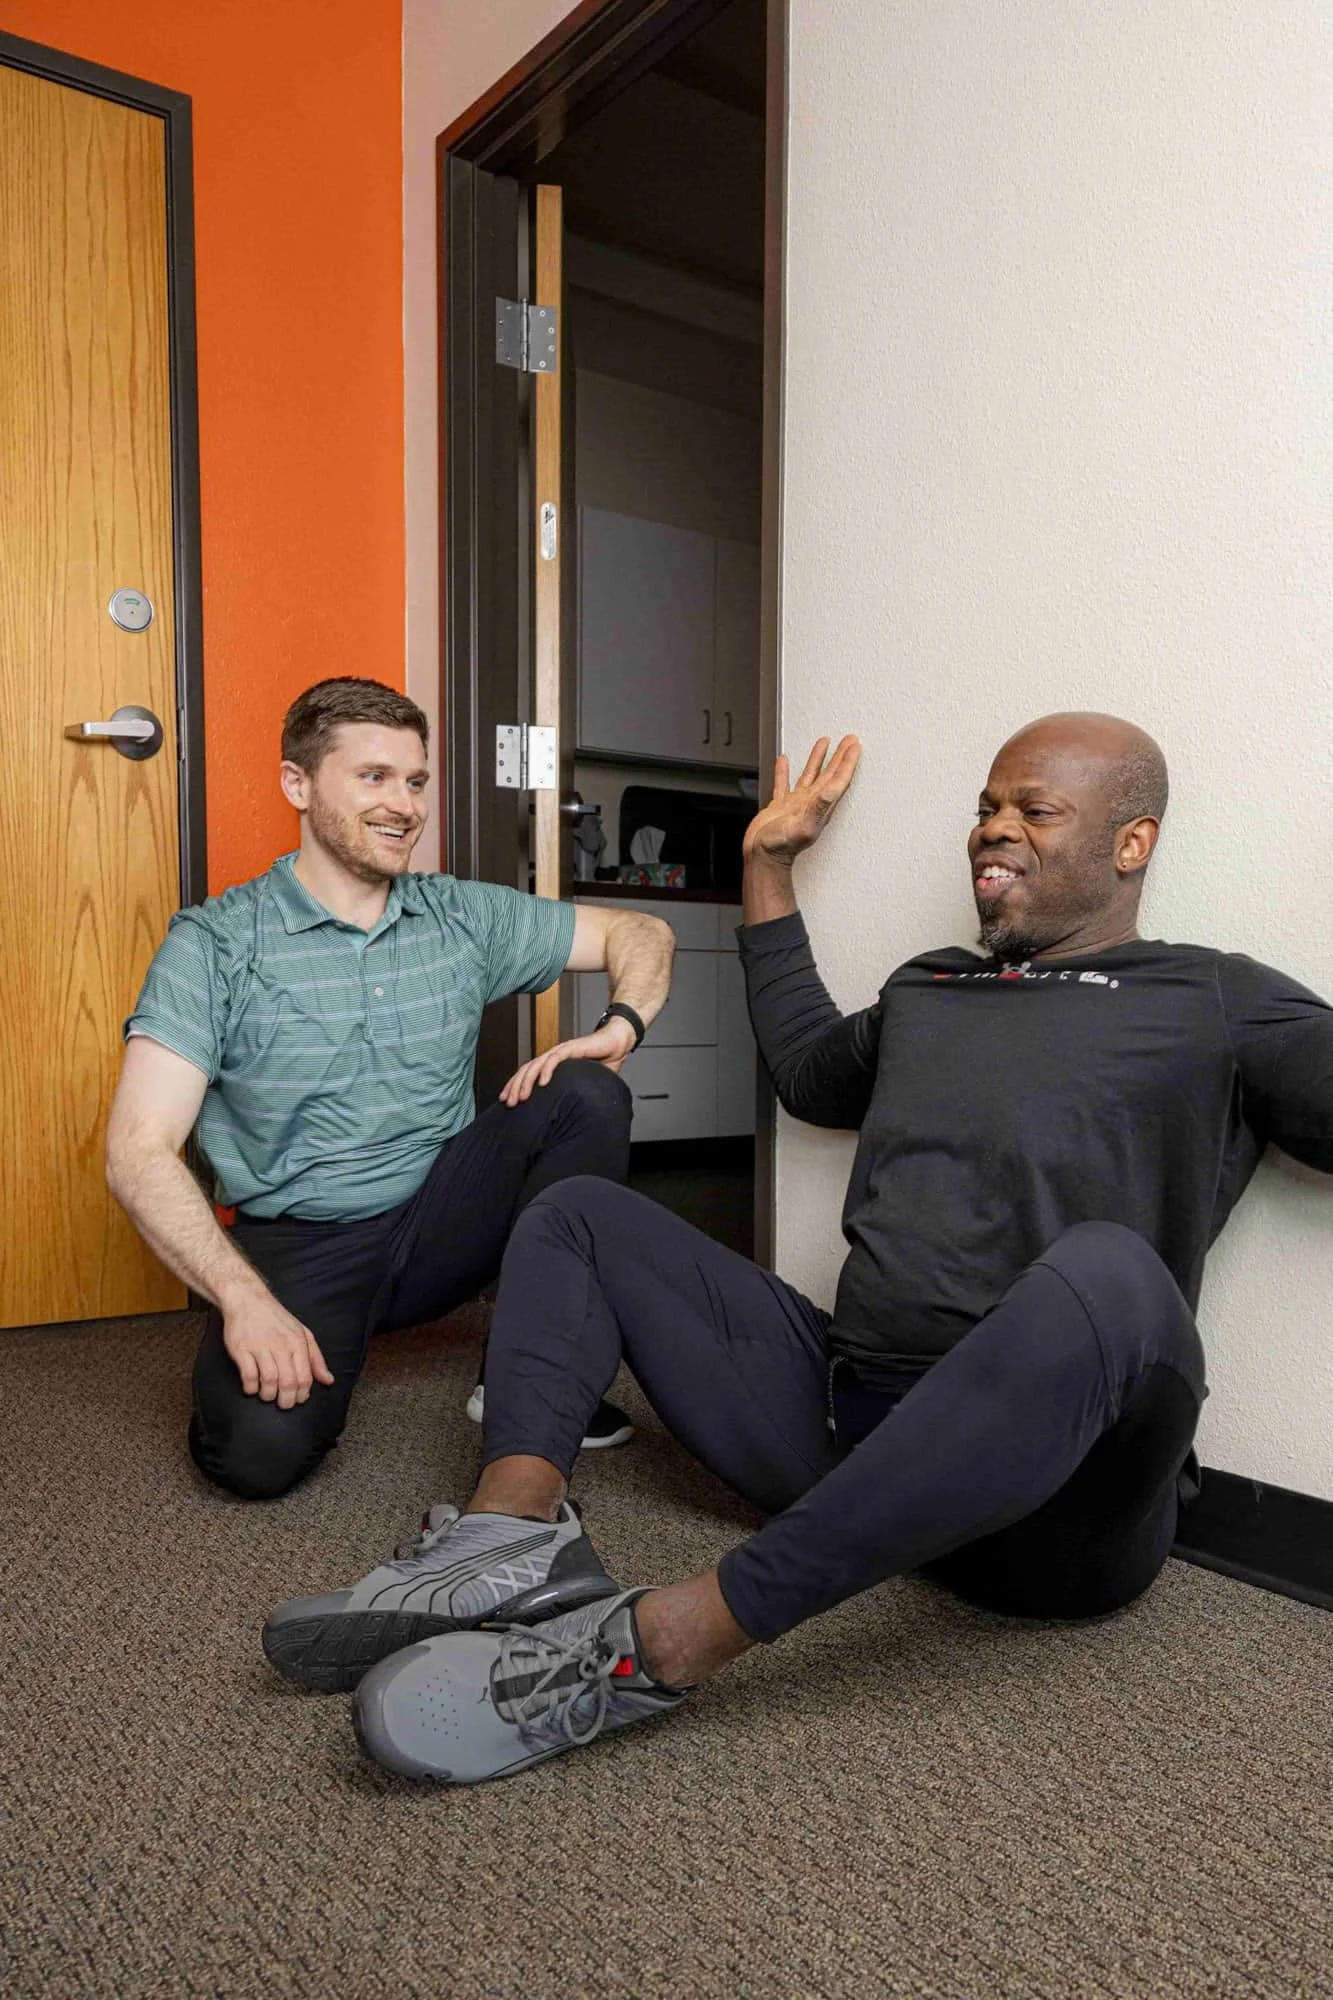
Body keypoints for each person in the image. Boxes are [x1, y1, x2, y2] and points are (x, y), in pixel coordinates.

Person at [262, 712, 1333, 1782]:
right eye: (986, 808)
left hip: (1056, 1515)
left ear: (1130, 842)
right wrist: (764, 865)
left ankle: (668, 1638)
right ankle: (507, 1535)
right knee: (579, 1213)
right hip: (843, 1434)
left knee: (1112, 1272)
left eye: (1033, 810)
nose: (994, 828)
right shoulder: (931, 986)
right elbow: (811, 1074)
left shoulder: (1212, 996)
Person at [107, 677, 675, 1502]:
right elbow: (137, 1149)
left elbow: (641, 929)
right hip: (308, 1242)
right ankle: (294, 1336)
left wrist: (622, 1025)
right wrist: (243, 1300)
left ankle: (524, 1379)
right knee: (254, 1460)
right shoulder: (217, 943)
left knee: (586, 1093)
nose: (404, 806)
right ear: (298, 784)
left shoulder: (459, 915)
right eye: (373, 777)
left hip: (445, 1215)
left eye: (415, 781)